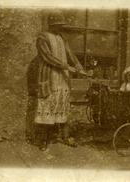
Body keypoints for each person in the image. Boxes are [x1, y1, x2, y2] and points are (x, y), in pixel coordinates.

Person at [26, 11, 86, 151]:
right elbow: (47, 57)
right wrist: (67, 66)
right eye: (58, 25)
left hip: (63, 78)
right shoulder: (42, 38)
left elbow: (70, 54)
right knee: (47, 107)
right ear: (52, 25)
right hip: (49, 76)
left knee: (62, 107)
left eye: (61, 25)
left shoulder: (61, 38)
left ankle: (65, 137)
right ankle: (43, 141)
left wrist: (78, 66)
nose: (60, 28)